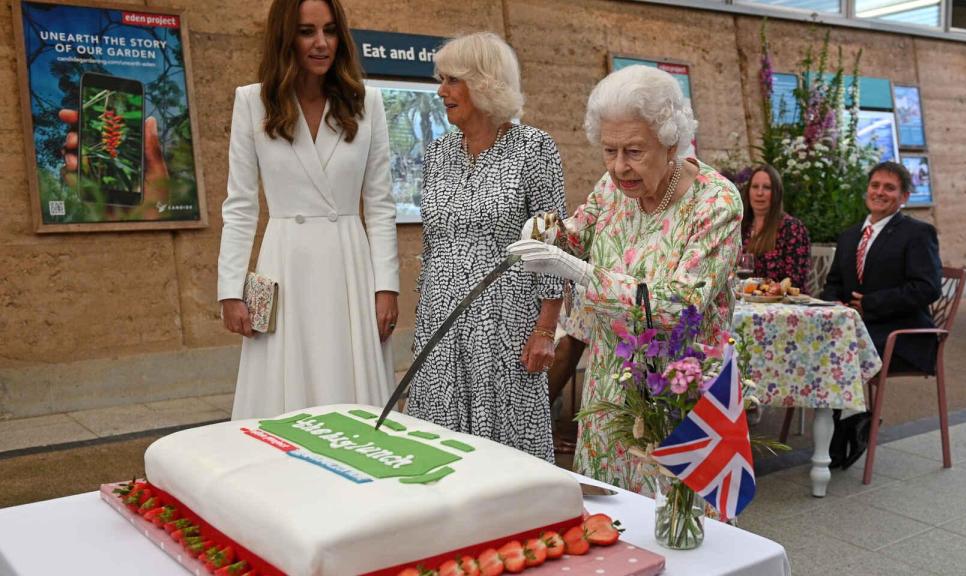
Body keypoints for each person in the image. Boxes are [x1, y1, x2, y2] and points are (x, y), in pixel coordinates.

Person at [509, 65, 742, 495]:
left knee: (677, 526)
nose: (619, 167)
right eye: (609, 150)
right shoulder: (613, 186)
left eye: (634, 151)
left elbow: (681, 304)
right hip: (610, 385)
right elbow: (576, 233)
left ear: (670, 142)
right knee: (609, 517)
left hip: (679, 390)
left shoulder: (716, 201)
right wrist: (542, 230)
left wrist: (579, 272)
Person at [218, 0, 399, 419]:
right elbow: (241, 205)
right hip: (284, 264)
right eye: (307, 31)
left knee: (351, 387)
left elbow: (380, 204)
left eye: (330, 30)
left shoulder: (365, 102)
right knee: (282, 394)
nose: (322, 43)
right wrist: (230, 290)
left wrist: (386, 287)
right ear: (285, 37)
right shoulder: (252, 102)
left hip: (349, 265)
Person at [404, 32, 567, 462]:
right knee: (440, 449)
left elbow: (553, 243)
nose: (442, 91)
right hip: (441, 322)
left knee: (505, 453)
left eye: (452, 80)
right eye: (442, 80)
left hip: (506, 325)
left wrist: (546, 329)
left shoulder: (534, 148)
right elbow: (432, 241)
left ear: (485, 82)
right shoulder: (438, 153)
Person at [821, 161, 941, 373]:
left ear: (904, 197)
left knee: (832, 350)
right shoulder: (849, 236)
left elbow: (927, 288)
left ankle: (848, 408)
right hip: (854, 328)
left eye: (889, 187)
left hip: (902, 335)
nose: (880, 192)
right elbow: (833, 283)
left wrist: (870, 303)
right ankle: (843, 408)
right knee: (807, 339)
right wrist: (836, 303)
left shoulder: (918, 234)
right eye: (875, 185)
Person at [741, 165, 811, 290]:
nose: (759, 193)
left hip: (782, 305)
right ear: (748, 191)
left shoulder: (792, 228)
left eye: (767, 188)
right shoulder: (741, 227)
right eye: (755, 187)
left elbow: (795, 281)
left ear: (777, 193)